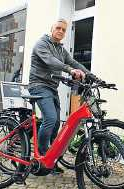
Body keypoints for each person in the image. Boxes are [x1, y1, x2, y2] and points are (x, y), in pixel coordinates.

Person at [28, 19, 90, 174]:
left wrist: (91, 75)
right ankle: (43, 157)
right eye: (58, 28)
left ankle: (51, 158)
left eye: (63, 29)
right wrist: (70, 70)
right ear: (52, 28)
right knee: (50, 118)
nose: (61, 31)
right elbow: (51, 61)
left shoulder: (61, 50)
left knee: (56, 124)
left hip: (51, 88)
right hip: (38, 86)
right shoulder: (41, 44)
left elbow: (73, 62)